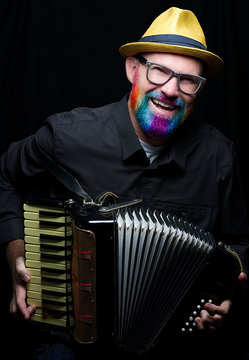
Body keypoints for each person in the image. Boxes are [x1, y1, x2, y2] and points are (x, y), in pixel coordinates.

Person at [0, 6, 248, 360]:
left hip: (175, 343)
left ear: (198, 89)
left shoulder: (219, 158)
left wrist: (228, 296)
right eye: (159, 70)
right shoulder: (67, 136)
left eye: (187, 80)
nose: (170, 90)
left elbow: (237, 242)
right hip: (71, 340)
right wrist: (16, 256)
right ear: (134, 69)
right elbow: (6, 175)